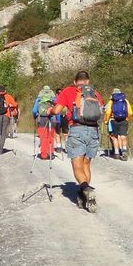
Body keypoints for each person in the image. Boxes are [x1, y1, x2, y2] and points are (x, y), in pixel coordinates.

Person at [51, 71, 106, 212]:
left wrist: (50, 110)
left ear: (75, 82)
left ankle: (86, 189)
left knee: (77, 165)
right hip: (94, 131)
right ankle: (84, 195)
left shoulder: (69, 91)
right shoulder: (95, 93)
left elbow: (57, 110)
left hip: (77, 130)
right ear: (88, 81)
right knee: (86, 164)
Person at [0, 86, 20, 154]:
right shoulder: (8, 96)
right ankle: (1, 149)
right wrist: (11, 107)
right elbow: (15, 104)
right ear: (5, 90)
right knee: (3, 132)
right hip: (6, 115)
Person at [31, 85, 57, 160]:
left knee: (43, 137)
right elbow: (57, 111)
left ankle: (44, 155)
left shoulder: (39, 99)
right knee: (51, 136)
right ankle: (51, 153)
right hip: (52, 119)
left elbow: (34, 111)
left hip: (42, 119)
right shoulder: (54, 99)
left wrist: (35, 116)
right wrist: (57, 120)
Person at [107, 88, 133, 160]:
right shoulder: (125, 101)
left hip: (113, 120)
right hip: (124, 120)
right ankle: (124, 150)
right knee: (123, 136)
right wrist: (128, 119)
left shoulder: (111, 101)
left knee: (114, 137)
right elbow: (130, 112)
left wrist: (106, 120)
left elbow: (108, 112)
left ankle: (117, 153)